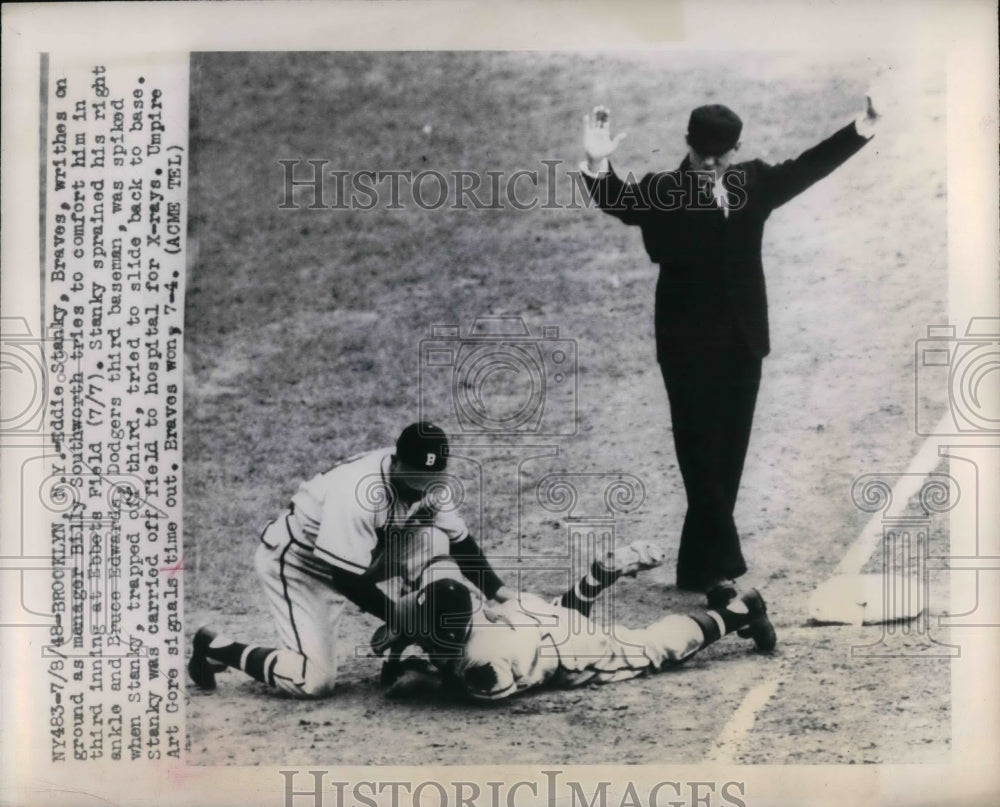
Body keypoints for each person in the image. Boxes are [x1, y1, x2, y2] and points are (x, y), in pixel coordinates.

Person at [580, 98, 880, 603]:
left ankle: (697, 567)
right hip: (685, 345)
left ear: (736, 150)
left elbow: (809, 166)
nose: (710, 164)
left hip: (743, 341)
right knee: (698, 453)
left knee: (728, 455)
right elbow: (617, 201)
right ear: (688, 144)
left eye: (720, 155)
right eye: (702, 153)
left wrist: (863, 127)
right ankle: (724, 566)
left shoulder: (755, 183)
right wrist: (596, 164)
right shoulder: (661, 190)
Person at [187, 421, 514, 698]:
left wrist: (500, 593)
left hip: (367, 554)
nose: (422, 491)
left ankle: (411, 657)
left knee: (432, 539)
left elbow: (461, 544)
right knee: (311, 680)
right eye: (416, 481)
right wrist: (403, 620)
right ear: (396, 463)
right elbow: (345, 578)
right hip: (301, 565)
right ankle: (216, 647)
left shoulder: (431, 485)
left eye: (431, 481)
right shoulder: (358, 492)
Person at [375, 538, 776, 702]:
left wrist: (421, 680)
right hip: (531, 614)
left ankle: (740, 611)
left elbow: (470, 696)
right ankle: (592, 582)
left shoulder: (485, 663)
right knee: (560, 617)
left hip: (564, 651)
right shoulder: (464, 605)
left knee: (651, 648)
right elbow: (412, 621)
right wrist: (400, 647)